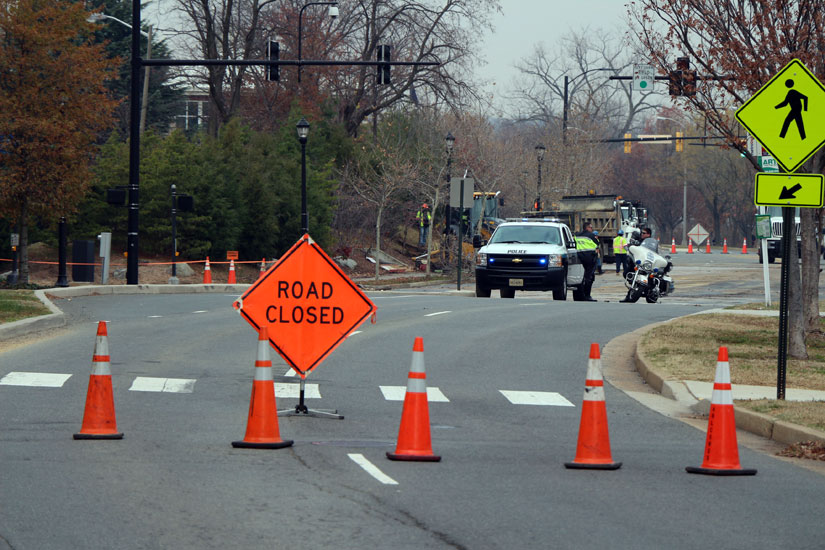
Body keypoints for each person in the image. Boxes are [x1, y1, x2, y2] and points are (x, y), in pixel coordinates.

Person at [575, 222, 599, 302]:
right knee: (589, 277)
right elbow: (597, 246)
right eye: (591, 228)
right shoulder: (591, 236)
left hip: (578, 258)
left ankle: (579, 296)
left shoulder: (577, 235)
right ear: (587, 228)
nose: (592, 229)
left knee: (579, 278)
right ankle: (587, 295)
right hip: (589, 259)